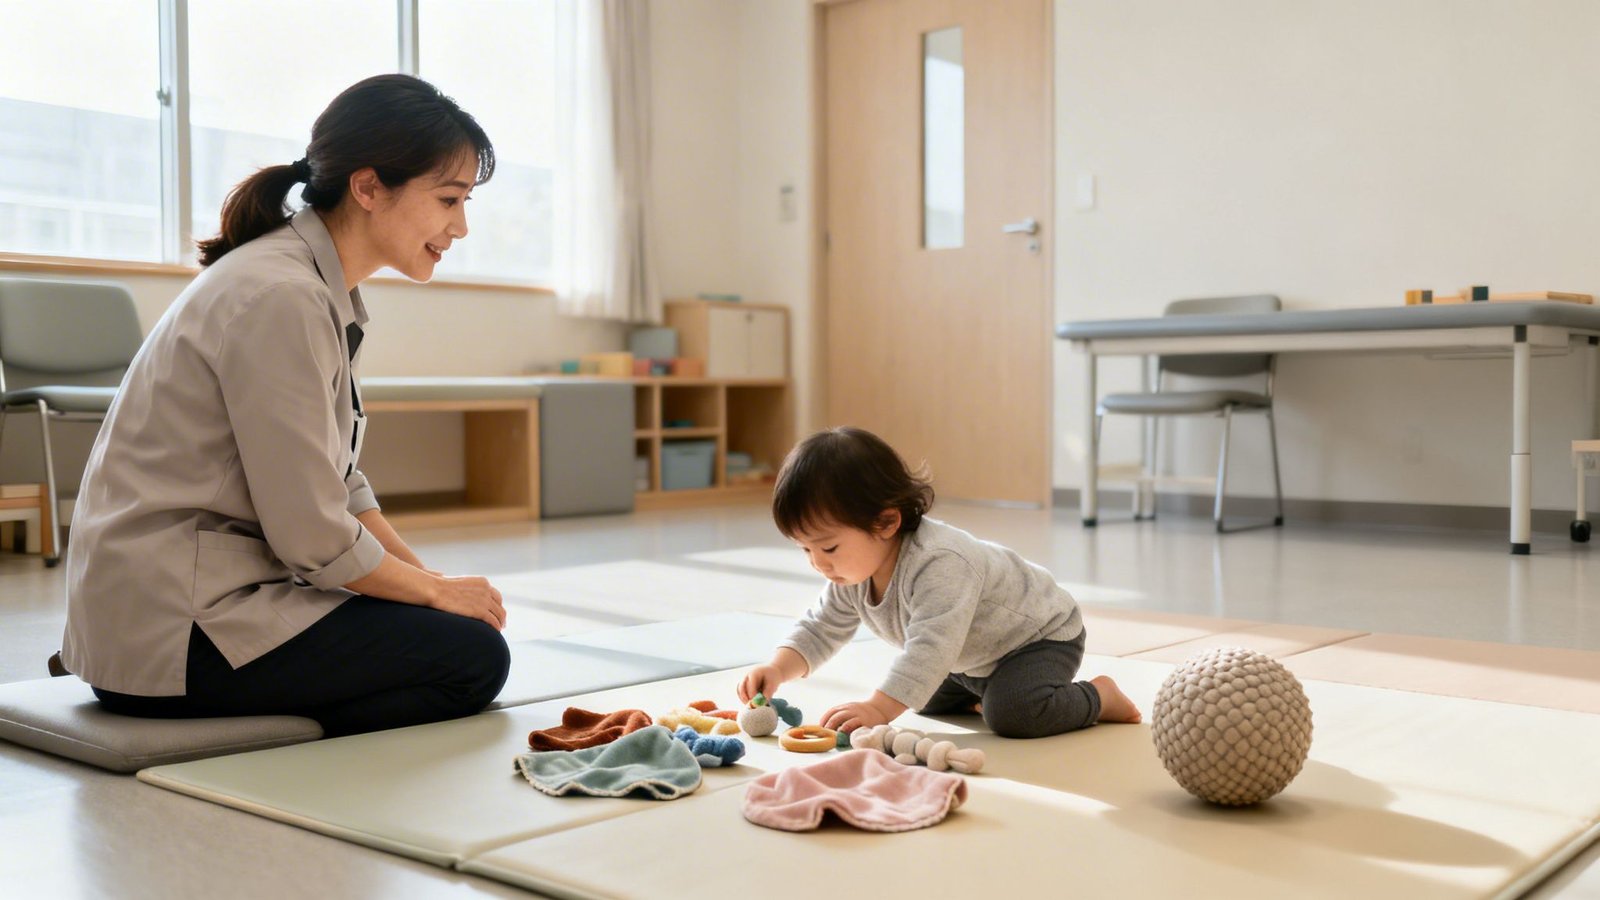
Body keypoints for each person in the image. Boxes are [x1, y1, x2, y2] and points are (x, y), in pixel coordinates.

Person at [59, 74, 511, 737]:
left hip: (197, 607)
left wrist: (435, 585)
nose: (460, 226)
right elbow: (314, 536)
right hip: (178, 632)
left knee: (450, 632)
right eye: (448, 199)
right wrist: (439, 597)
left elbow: (341, 485)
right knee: (471, 662)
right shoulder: (282, 295)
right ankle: (275, 747)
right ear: (367, 187)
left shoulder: (309, 286)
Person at [736, 426, 1141, 738]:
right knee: (921, 699)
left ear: (886, 522)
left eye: (828, 548)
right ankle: (985, 690)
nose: (818, 564)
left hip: (1038, 637)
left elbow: (930, 649)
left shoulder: (940, 563)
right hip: (972, 655)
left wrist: (877, 710)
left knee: (1013, 714)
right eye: (805, 551)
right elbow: (820, 628)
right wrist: (777, 668)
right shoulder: (851, 572)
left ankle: (1098, 697)